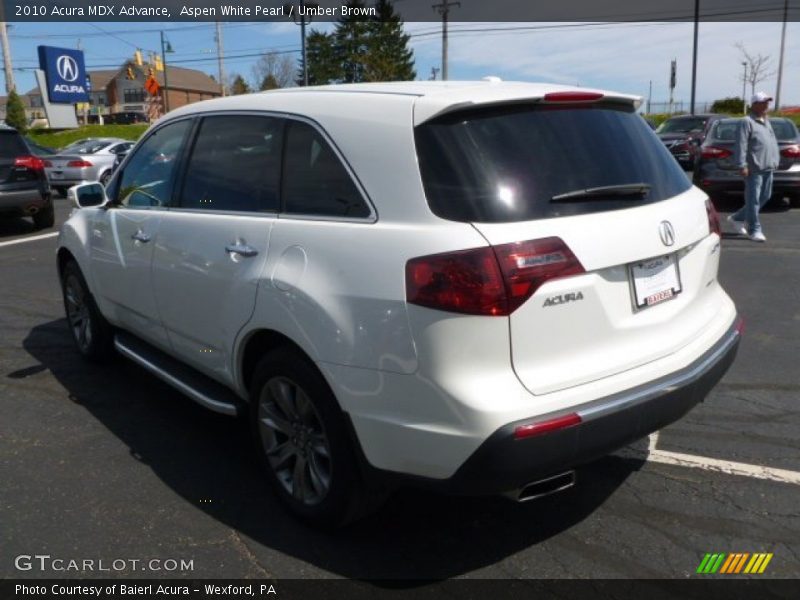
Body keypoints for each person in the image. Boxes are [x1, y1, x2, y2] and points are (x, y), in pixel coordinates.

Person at [727, 91, 780, 242]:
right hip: (753, 169)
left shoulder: (766, 121)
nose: (766, 105)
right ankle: (754, 230)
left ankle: (737, 218)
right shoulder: (746, 121)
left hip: (768, 167)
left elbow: (771, 142)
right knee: (753, 200)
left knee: (765, 197)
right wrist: (741, 165)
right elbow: (741, 145)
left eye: (767, 102)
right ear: (754, 104)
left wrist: (775, 159)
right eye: (763, 102)